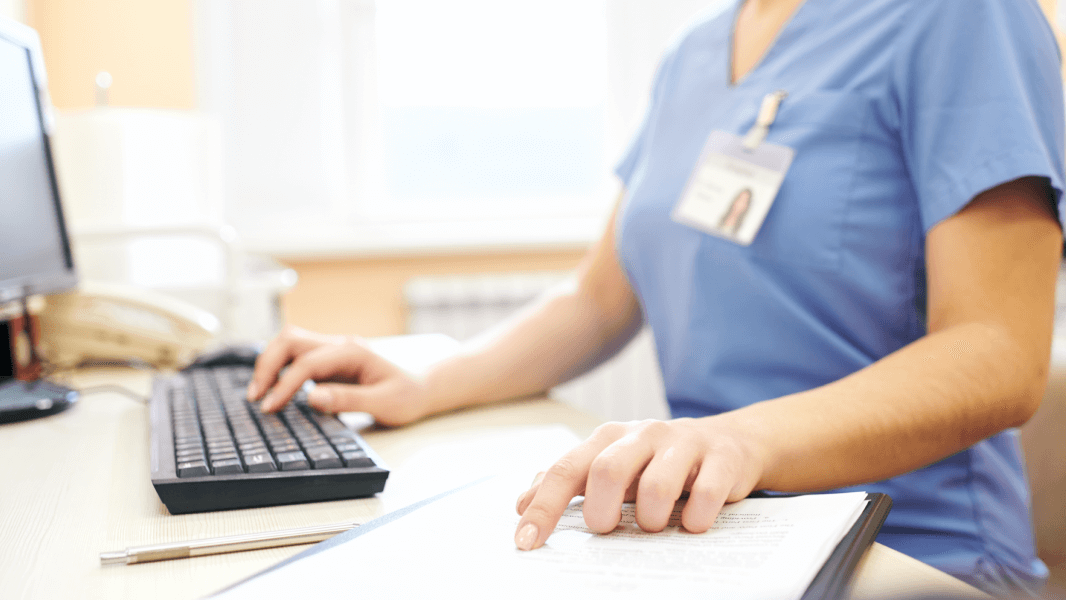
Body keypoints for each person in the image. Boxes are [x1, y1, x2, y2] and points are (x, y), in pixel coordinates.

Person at [246, 0, 1065, 595]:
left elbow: (999, 354)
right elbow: (602, 296)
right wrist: (429, 380)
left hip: (912, 551)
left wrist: (740, 443)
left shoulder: (965, 17)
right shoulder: (695, 52)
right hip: (705, 534)